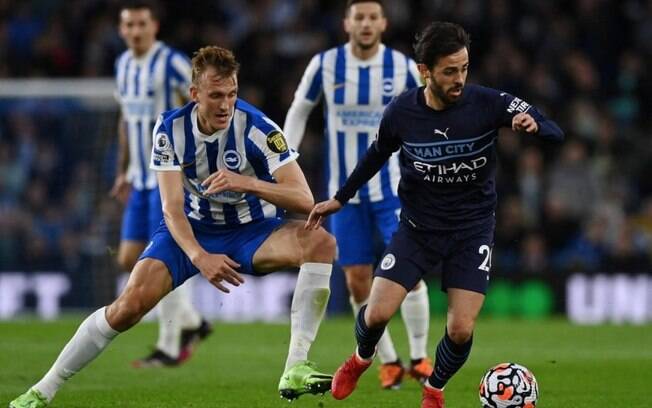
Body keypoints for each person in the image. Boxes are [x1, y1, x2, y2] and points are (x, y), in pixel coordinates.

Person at [10, 45, 335, 408]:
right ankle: (43, 390)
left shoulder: (259, 129)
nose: (225, 104)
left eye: (232, 94)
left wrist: (249, 183)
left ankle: (295, 366)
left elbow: (307, 199)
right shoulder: (169, 129)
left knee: (321, 244)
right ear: (195, 94)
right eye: (215, 95)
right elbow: (171, 208)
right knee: (127, 308)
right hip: (190, 231)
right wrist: (199, 256)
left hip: (252, 231)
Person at [305, 22, 564, 408]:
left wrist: (534, 125)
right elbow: (376, 155)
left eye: (464, 68)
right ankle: (360, 359)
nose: (459, 78)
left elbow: (554, 130)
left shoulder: (488, 103)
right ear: (425, 71)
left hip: (471, 231)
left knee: (460, 329)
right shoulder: (402, 113)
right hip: (417, 229)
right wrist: (340, 197)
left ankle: (434, 389)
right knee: (375, 314)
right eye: (449, 71)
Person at [283, 0, 432, 390]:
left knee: (410, 272)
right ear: (347, 22)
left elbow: (428, 112)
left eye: (372, 17)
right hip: (343, 196)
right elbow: (300, 110)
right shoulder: (325, 64)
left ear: (383, 23)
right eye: (358, 17)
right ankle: (390, 362)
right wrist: (282, 161)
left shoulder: (400, 67)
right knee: (356, 281)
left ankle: (419, 356)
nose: (365, 24)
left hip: (392, 191)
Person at [109, 0, 211, 367]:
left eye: (141, 24)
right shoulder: (122, 65)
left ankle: (169, 345)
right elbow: (126, 119)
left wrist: (194, 162)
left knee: (160, 259)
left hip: (167, 177)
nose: (135, 31)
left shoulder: (172, 63)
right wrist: (122, 170)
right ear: (122, 29)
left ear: (154, 27)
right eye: (129, 25)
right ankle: (193, 322)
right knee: (127, 258)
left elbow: (200, 106)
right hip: (138, 177)